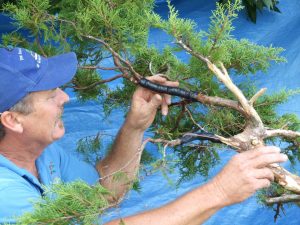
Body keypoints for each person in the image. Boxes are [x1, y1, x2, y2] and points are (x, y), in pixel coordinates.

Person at [0, 47, 287, 224]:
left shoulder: (42, 153)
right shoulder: (5, 195)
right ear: (12, 120)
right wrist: (219, 192)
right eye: (52, 95)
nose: (66, 97)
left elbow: (104, 194)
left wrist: (136, 125)